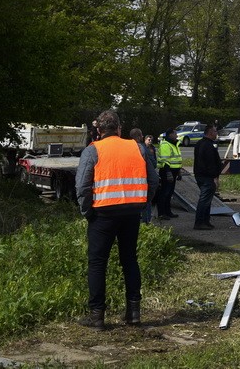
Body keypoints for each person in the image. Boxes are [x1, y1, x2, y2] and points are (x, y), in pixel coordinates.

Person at [75, 110, 157, 329]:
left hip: (102, 214)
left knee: (97, 263)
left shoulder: (92, 150)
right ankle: (133, 314)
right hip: (131, 213)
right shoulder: (137, 148)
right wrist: (143, 202)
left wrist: (87, 212)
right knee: (129, 259)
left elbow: (82, 186)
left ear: (99, 131)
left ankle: (97, 317)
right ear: (119, 128)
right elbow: (154, 179)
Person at [193, 123, 221, 230]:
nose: (216, 133)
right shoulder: (207, 145)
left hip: (201, 175)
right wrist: (214, 176)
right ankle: (200, 222)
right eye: (215, 131)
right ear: (210, 133)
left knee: (207, 200)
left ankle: (205, 221)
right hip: (206, 177)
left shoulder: (201, 143)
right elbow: (210, 163)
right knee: (204, 200)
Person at [156, 129, 183, 219]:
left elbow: (175, 159)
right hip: (167, 171)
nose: (176, 135)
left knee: (169, 193)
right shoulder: (165, 145)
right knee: (164, 193)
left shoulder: (174, 144)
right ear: (170, 135)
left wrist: (178, 171)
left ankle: (168, 212)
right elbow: (165, 160)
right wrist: (168, 172)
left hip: (173, 171)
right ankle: (161, 213)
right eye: (175, 133)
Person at [139, 132, 158, 224]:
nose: (150, 141)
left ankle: (146, 219)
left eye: (151, 140)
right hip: (146, 176)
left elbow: (155, 161)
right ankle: (146, 220)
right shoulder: (144, 149)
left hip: (147, 175)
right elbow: (153, 163)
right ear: (144, 139)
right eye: (148, 139)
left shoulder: (152, 148)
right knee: (146, 200)